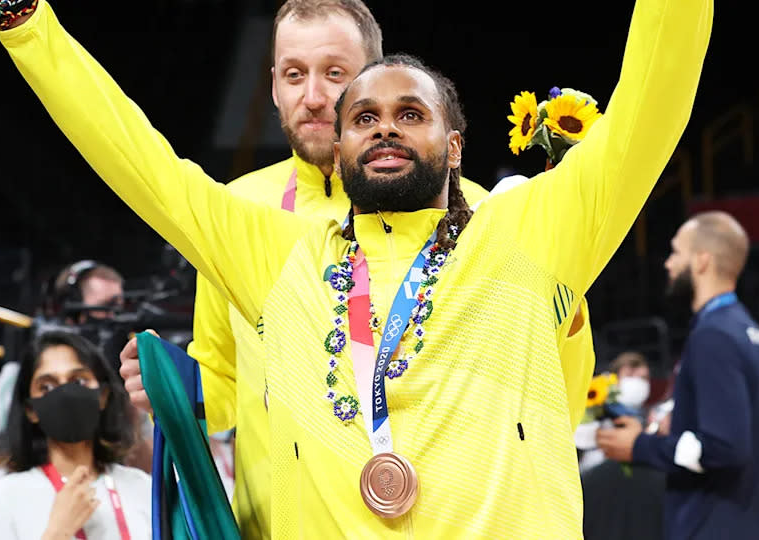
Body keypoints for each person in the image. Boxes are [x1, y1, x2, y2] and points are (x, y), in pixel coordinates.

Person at [0, 0, 711, 534]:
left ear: (454, 147)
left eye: (411, 113)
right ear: (339, 140)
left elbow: (652, 104)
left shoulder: (527, 230)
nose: (385, 125)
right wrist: (26, 24)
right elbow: (140, 164)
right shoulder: (278, 253)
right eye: (363, 117)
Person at [116, 1, 592, 536]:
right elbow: (223, 388)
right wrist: (171, 385)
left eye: (335, 74)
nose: (314, 96)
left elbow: (554, 396)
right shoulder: (238, 210)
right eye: (294, 74)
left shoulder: (473, 214)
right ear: (273, 85)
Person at [596, 211, 759, 540]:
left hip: (712, 526)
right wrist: (679, 427)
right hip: (747, 521)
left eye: (677, 252)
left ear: (702, 260)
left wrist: (641, 447)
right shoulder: (751, 333)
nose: (668, 263)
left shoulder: (714, 335)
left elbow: (726, 448)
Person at [0, 331, 150, 540]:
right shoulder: (1, 498)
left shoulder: (143, 487)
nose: (65, 393)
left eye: (79, 381)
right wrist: (58, 533)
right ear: (30, 409)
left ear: (103, 395)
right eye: (47, 386)